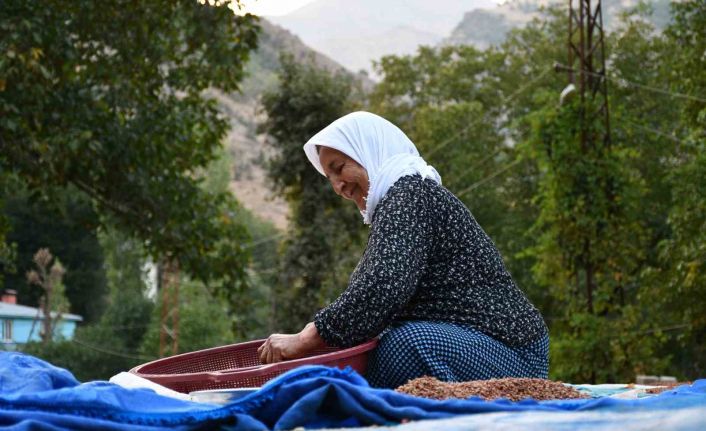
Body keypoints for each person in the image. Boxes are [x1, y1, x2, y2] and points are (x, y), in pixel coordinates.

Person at [258, 111, 549, 389]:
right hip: (480, 347)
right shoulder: (398, 200)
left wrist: (308, 336)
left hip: (515, 355)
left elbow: (383, 286)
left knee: (402, 347)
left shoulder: (409, 194)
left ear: (368, 151)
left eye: (339, 168)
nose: (338, 187)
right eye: (329, 178)